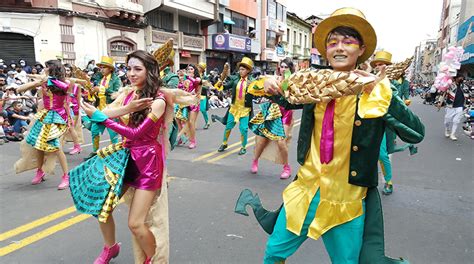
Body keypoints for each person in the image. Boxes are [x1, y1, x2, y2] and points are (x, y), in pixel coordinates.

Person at [236, 8, 424, 263]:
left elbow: (416, 133)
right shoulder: (316, 83)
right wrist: (267, 83)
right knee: (273, 253)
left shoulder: (375, 91)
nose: (339, 48)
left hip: (346, 203)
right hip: (306, 193)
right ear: (325, 50)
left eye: (348, 42)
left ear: (361, 49)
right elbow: (280, 92)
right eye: (333, 42)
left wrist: (381, 92)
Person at [69, 50, 193, 264]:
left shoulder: (159, 100)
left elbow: (136, 133)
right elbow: (109, 113)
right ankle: (110, 247)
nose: (131, 73)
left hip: (148, 164)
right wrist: (102, 111)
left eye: (138, 69)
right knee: (101, 207)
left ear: (150, 71)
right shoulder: (128, 94)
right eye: (129, 68)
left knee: (136, 223)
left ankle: (152, 260)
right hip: (125, 158)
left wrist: (99, 116)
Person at [17, 59, 73, 189]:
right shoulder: (44, 80)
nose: (44, 69)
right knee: (38, 145)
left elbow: (66, 100)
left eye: (46, 67)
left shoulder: (64, 83)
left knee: (56, 146)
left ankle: (66, 176)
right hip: (46, 115)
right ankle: (40, 171)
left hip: (58, 116)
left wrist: (69, 120)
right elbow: (24, 87)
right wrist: (35, 80)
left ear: (52, 68)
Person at [370, 50, 418, 195]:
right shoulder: (369, 79)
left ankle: (388, 182)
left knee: (382, 154)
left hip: (386, 123)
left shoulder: (397, 83)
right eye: (377, 64)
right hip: (368, 122)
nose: (380, 67)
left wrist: (405, 101)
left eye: (383, 64)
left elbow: (400, 100)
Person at [249, 58, 295, 179]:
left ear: (290, 68)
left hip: (286, 113)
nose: (283, 69)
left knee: (281, 141)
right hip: (272, 111)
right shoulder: (273, 79)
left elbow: (289, 96)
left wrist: (285, 80)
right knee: (262, 141)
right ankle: (255, 160)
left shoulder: (293, 81)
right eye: (282, 66)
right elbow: (264, 90)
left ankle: (286, 167)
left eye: (286, 67)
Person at [215, 57, 255, 155]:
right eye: (240, 69)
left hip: (245, 109)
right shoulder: (236, 80)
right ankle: (224, 143)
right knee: (228, 126)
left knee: (244, 129)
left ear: (248, 70)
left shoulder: (252, 82)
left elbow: (258, 92)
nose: (240, 71)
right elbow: (225, 86)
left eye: (243, 69)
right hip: (234, 108)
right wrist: (220, 84)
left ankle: (243, 147)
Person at [84, 56, 121, 160]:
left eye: (104, 67)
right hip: (99, 110)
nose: (101, 69)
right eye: (100, 67)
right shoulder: (100, 79)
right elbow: (98, 96)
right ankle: (95, 152)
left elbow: (117, 95)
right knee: (94, 131)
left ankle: (114, 153)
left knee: (113, 134)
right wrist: (92, 92)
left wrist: (101, 89)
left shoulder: (116, 80)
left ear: (110, 69)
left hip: (111, 111)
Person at [441, 74, 468, 141]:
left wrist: (467, 105)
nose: (461, 79)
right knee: (447, 120)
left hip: (460, 106)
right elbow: (443, 93)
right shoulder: (450, 85)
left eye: (462, 78)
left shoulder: (465, 86)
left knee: (456, 121)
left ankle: (453, 134)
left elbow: (468, 95)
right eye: (460, 77)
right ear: (455, 78)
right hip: (450, 106)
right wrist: (440, 102)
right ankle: (447, 130)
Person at [63, 63, 83, 155]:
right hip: (61, 106)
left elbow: (78, 98)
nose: (66, 72)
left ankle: (77, 146)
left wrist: (78, 109)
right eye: (64, 70)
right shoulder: (60, 81)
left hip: (72, 107)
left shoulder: (76, 84)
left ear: (71, 71)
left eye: (68, 70)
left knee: (71, 127)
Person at [197, 63, 212, 129]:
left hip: (202, 95)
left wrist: (200, 86)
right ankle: (193, 124)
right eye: (198, 67)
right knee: (193, 110)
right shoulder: (195, 76)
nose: (198, 68)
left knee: (203, 110)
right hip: (195, 95)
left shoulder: (205, 77)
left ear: (202, 69)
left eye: (200, 67)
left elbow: (207, 87)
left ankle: (207, 122)